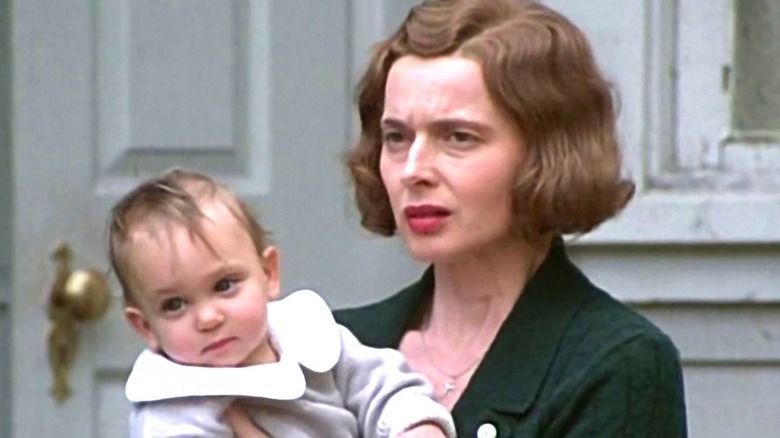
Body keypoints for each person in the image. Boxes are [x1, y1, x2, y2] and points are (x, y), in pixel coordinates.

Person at [335, 0, 688, 436]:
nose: (413, 170)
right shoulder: (335, 345)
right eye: (396, 137)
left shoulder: (615, 363)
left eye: (458, 137)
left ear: (544, 154)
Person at [108, 169, 456, 438]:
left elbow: (383, 384)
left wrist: (416, 425)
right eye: (174, 305)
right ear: (145, 326)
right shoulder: (174, 412)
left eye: (225, 285)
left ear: (269, 273)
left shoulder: (307, 335)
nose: (209, 317)